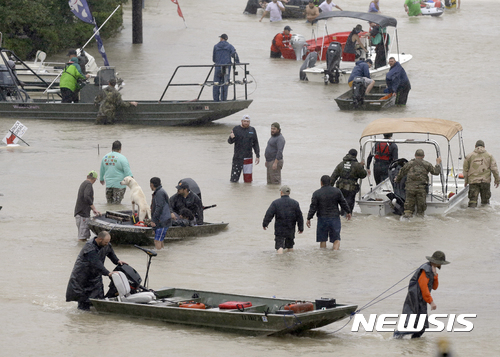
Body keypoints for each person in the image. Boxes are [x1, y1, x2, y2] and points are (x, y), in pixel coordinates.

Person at [394, 251, 450, 339]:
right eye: (440, 263)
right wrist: (431, 302)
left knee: (422, 327)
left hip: (421, 301)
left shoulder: (431, 270)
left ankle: (414, 345)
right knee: (414, 325)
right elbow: (424, 288)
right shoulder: (426, 270)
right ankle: (396, 336)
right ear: (437, 262)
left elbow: (434, 287)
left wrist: (435, 275)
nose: (441, 265)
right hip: (415, 300)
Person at [66, 231, 126, 310]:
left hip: (95, 276)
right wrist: (108, 273)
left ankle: (95, 319)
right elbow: (96, 263)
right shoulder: (89, 248)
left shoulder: (106, 245)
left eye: (108, 242)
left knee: (98, 299)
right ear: (100, 239)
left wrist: (117, 261)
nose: (107, 244)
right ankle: (82, 319)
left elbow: (111, 254)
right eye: (105, 242)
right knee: (84, 303)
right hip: (83, 278)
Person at [306, 175, 351, 250]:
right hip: (334, 218)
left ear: (321, 183)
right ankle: (335, 254)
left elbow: (313, 207)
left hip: (322, 219)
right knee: (336, 239)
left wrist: (309, 218)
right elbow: (343, 203)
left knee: (323, 239)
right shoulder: (337, 191)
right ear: (330, 182)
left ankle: (324, 257)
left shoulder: (316, 193)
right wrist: (348, 212)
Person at [395, 149, 442, 218]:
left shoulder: (409, 164)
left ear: (415, 155)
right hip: (421, 190)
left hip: (410, 189)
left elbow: (401, 173)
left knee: (408, 210)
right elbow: (436, 172)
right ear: (423, 156)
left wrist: (397, 180)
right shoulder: (427, 164)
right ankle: (419, 224)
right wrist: (438, 163)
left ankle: (407, 222)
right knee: (420, 212)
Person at [263, 185, 304, 254]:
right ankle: (290, 260)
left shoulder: (275, 203)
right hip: (290, 228)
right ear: (289, 193)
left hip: (279, 228)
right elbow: (299, 217)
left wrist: (265, 224)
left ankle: (280, 262)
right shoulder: (295, 203)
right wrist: (301, 228)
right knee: (290, 246)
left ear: (281, 192)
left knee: (279, 246)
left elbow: (269, 214)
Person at [463, 140, 500, 207]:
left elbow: (465, 170)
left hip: (473, 182)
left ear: (475, 146)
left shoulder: (469, 156)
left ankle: (471, 216)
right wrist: (497, 180)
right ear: (484, 147)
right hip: (485, 182)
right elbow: (494, 169)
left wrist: (466, 180)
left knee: (472, 203)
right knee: (485, 204)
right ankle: (484, 215)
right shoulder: (489, 156)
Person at [330, 149, 367, 215]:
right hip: (351, 190)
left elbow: (333, 177)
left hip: (341, 188)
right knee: (349, 207)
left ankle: (343, 219)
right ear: (356, 156)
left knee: (342, 205)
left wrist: (329, 188)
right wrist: (361, 166)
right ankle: (347, 221)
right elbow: (363, 175)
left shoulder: (341, 164)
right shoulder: (357, 165)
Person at [228, 114, 260, 183]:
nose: (246, 123)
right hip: (237, 157)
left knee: (248, 181)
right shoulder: (236, 129)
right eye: (244, 121)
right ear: (241, 121)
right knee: (234, 180)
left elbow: (256, 143)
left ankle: (247, 192)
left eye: (247, 121)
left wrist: (257, 155)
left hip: (248, 157)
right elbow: (230, 142)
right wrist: (231, 137)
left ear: (249, 122)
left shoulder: (252, 130)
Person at [99, 140, 133, 204]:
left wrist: (101, 179)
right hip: (119, 186)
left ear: (112, 148)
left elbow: (102, 169)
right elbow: (128, 172)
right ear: (120, 148)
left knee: (109, 204)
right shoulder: (122, 158)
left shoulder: (105, 157)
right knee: (117, 204)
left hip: (109, 185)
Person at [74, 170, 101, 242]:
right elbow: (87, 197)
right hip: (82, 215)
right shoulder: (89, 184)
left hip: (79, 213)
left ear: (87, 176)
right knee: (82, 238)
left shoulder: (84, 183)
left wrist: (92, 209)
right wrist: (94, 208)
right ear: (95, 179)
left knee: (82, 236)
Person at [212, 34, 240, 102]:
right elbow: (235, 55)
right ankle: (223, 100)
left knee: (216, 83)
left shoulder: (216, 46)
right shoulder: (230, 46)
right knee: (225, 83)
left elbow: (213, 59)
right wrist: (237, 62)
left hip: (218, 67)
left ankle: (216, 100)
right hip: (226, 68)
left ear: (221, 38)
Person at [150, 177, 172, 250]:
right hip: (163, 220)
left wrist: (153, 220)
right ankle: (162, 255)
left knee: (157, 241)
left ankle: (158, 257)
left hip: (163, 221)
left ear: (152, 184)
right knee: (160, 240)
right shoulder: (160, 191)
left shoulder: (159, 193)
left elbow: (159, 207)